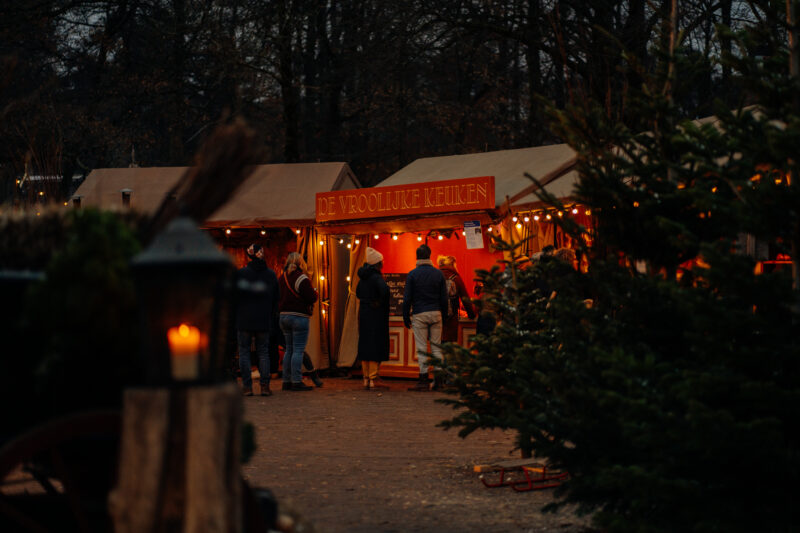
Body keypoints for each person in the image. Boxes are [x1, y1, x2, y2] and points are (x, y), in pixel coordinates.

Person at [402, 244, 448, 391]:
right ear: (429, 256)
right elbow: (444, 298)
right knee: (436, 347)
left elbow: (407, 298)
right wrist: (444, 315)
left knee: (422, 347)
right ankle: (439, 381)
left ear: (417, 257)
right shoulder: (438, 274)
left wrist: (405, 316)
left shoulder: (412, 274)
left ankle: (423, 380)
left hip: (419, 313)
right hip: (436, 313)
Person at [236, 244, 279, 397]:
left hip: (244, 318)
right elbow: (276, 298)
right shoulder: (270, 275)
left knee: (244, 352)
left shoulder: (241, 274)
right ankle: (265, 386)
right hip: (263, 317)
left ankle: (247, 387)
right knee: (263, 352)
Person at [278, 252, 318, 391]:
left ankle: (286, 380)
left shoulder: (281, 278)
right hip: (298, 317)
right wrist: (315, 292)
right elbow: (312, 297)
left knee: (289, 349)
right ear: (301, 263)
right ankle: (296, 380)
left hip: (283, 317)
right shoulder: (302, 278)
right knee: (298, 350)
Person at [355, 247, 391, 390]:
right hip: (376, 315)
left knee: (365, 344)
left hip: (363, 314)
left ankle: (365, 378)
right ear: (377, 264)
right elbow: (385, 292)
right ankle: (374, 378)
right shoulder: (376, 277)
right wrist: (378, 302)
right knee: (375, 344)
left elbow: (357, 293)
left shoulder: (362, 278)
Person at [437, 255, 476, 343]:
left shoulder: (433, 277)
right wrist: (471, 315)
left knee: (435, 352)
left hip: (434, 322)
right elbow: (465, 299)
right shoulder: (456, 278)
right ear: (452, 265)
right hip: (450, 322)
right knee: (448, 351)